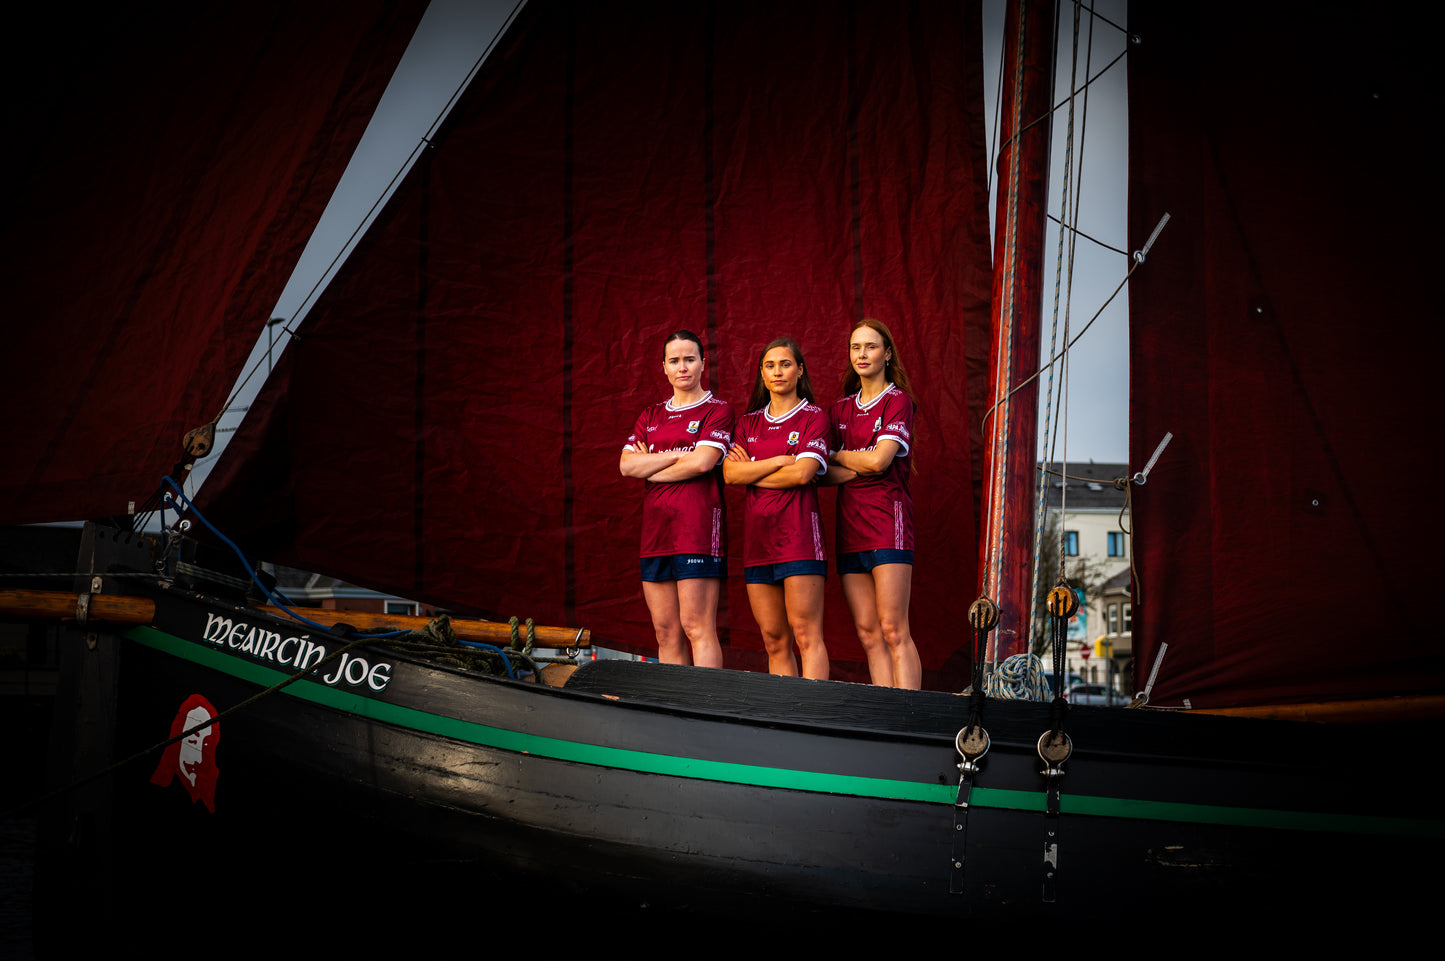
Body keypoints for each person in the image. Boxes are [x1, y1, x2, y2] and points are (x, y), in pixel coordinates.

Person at [619, 330, 734, 668]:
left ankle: (707, 709)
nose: (682, 367)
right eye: (674, 361)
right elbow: (627, 465)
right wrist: (678, 456)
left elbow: (703, 462)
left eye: (689, 359)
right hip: (656, 534)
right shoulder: (650, 415)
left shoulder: (718, 410)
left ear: (702, 364)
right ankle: (676, 709)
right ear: (664, 368)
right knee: (665, 631)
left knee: (696, 626)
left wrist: (652, 464)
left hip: (696, 530)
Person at [723, 338, 831, 679]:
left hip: (799, 538)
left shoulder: (814, 417)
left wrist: (753, 472)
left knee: (806, 634)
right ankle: (787, 716)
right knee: (773, 639)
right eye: (770, 366)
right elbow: (729, 473)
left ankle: (813, 716)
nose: (777, 371)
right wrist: (776, 462)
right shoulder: (748, 423)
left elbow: (802, 474)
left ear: (799, 370)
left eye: (785, 364)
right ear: (762, 374)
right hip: (758, 543)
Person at [827, 318, 921, 689]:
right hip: (850, 526)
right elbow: (821, 473)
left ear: (887, 353)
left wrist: (842, 455)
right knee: (868, 633)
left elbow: (881, 462)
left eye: (870, 346)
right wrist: (858, 461)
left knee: (894, 628)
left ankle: (909, 713)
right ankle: (885, 709)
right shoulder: (839, 410)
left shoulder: (898, 400)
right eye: (855, 347)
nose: (862, 354)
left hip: (888, 523)